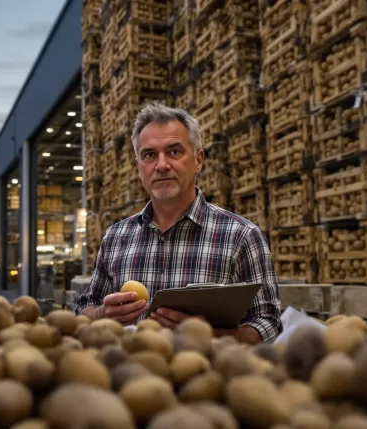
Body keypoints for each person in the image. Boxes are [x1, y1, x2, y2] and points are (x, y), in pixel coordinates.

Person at [75, 101, 282, 344]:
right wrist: (102, 313)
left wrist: (213, 335)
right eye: (149, 155)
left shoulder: (241, 236)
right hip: (132, 377)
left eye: (174, 151)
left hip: (208, 377)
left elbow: (269, 322)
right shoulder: (115, 238)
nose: (162, 165)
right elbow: (83, 310)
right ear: (138, 167)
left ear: (198, 160)